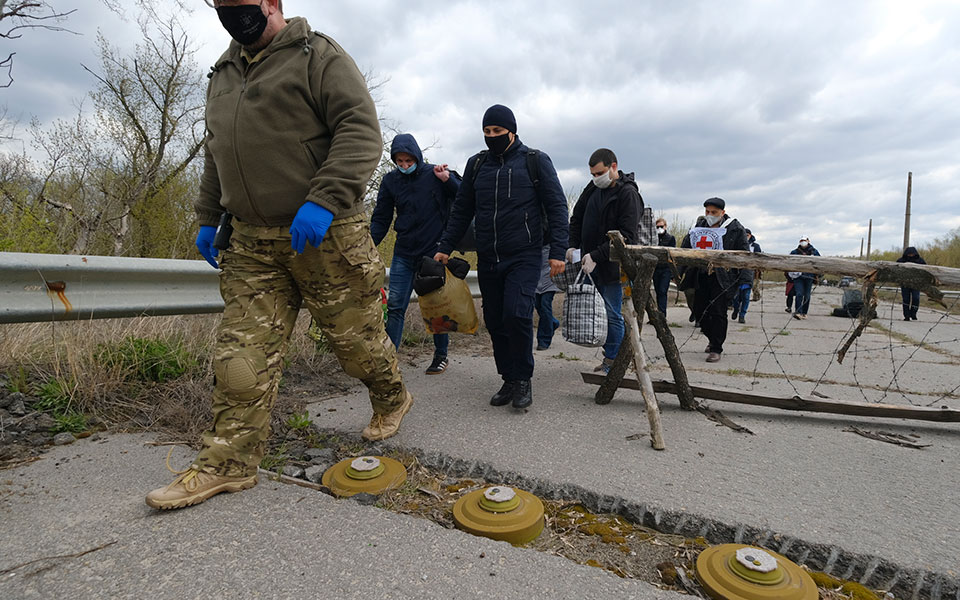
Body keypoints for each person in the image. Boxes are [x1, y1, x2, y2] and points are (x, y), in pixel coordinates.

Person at [147, 0, 409, 510]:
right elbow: (218, 149)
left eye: (240, 5)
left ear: (271, 3)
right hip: (251, 243)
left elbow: (360, 131)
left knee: (356, 346)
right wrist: (207, 214)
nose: (231, 15)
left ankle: (391, 395)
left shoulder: (319, 56)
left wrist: (325, 198)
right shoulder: (222, 72)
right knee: (239, 361)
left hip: (325, 235)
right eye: (221, 7)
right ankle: (228, 464)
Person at [434, 104, 568, 410]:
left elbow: (558, 208)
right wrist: (445, 245)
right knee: (494, 319)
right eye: (487, 132)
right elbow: (462, 209)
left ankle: (523, 379)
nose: (492, 136)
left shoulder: (535, 161)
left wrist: (558, 252)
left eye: (497, 131)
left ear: (512, 131)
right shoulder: (477, 164)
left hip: (524, 254)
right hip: (489, 255)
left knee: (517, 314)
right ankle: (508, 377)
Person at [371, 133, 461, 374]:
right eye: (399, 162)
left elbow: (463, 198)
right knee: (397, 307)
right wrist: (369, 244)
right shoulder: (390, 181)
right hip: (403, 252)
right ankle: (388, 362)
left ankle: (441, 356)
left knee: (436, 307)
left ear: (416, 156)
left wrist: (447, 180)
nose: (404, 166)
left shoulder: (434, 174)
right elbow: (381, 217)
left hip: (432, 254)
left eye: (408, 161)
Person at [569, 148, 642, 373]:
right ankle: (610, 356)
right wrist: (573, 245)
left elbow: (626, 235)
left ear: (613, 166)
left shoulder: (627, 194)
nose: (595, 178)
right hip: (588, 263)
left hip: (612, 266)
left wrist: (597, 255)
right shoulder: (592, 189)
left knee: (611, 314)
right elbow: (577, 218)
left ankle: (614, 361)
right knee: (596, 312)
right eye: (592, 174)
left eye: (599, 173)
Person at [679, 198, 750, 362]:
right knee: (698, 310)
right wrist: (678, 271)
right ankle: (711, 337)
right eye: (707, 212)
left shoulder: (734, 228)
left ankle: (716, 348)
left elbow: (745, 254)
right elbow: (685, 248)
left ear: (722, 213)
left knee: (718, 311)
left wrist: (745, 279)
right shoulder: (698, 226)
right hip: (700, 274)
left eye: (714, 212)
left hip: (723, 277)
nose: (710, 215)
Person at [535, 246, 561, 350]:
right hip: (535, 273)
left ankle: (543, 340)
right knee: (537, 304)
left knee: (545, 305)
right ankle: (553, 322)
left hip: (550, 274)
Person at [789, 236, 821, 319]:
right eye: (801, 241)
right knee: (799, 294)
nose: (803, 242)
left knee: (807, 296)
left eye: (805, 240)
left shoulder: (814, 252)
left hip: (809, 276)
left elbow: (820, 262)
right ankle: (798, 312)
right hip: (798, 276)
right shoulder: (794, 252)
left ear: (808, 241)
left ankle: (804, 312)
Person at [653, 217, 677, 316]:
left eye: (661, 226)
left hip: (666, 269)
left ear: (665, 226)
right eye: (657, 227)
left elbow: (673, 255)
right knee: (658, 291)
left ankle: (662, 314)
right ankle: (658, 313)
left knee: (663, 291)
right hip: (655, 268)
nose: (659, 228)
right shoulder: (654, 238)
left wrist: (673, 274)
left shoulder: (670, 238)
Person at [896, 246, 926, 320]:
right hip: (905, 283)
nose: (910, 255)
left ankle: (913, 313)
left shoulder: (920, 261)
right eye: (909, 254)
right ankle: (906, 315)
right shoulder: (901, 261)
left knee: (916, 298)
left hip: (916, 283)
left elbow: (926, 270)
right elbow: (895, 270)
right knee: (906, 299)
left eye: (912, 254)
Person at [745, 228, 763, 301]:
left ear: (750, 235)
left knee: (755, 284)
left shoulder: (756, 246)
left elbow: (759, 256)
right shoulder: (740, 244)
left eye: (747, 235)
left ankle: (756, 296)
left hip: (754, 268)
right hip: (744, 267)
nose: (746, 236)